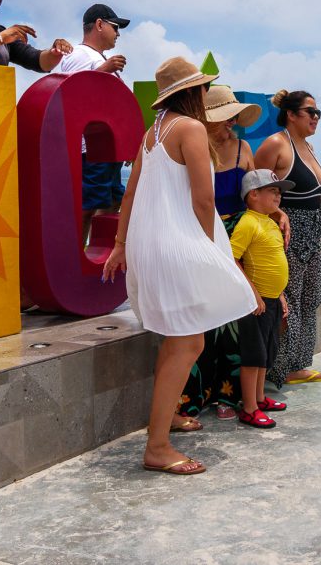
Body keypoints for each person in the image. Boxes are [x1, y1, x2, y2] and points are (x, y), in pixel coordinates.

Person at [102, 57, 256, 475]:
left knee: (179, 340)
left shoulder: (152, 133)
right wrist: (209, 249)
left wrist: (120, 244)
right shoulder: (188, 129)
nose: (208, 95)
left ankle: (166, 419)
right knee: (187, 343)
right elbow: (203, 200)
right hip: (178, 244)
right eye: (205, 89)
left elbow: (129, 194)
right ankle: (157, 446)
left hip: (149, 245)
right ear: (194, 92)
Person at [178, 86, 266, 422]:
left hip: (238, 241)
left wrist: (278, 215)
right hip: (203, 238)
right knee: (205, 321)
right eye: (223, 119)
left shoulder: (245, 148)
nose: (230, 124)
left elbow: (256, 195)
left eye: (233, 118)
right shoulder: (192, 148)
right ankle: (197, 397)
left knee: (235, 319)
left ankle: (230, 396)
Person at [255, 90, 321, 387]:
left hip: (314, 231)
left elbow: (305, 193)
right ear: (291, 114)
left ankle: (300, 362)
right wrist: (277, 217)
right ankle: (280, 368)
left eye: (318, 113)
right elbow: (256, 193)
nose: (316, 118)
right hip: (286, 233)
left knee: (309, 298)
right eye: (310, 112)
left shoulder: (309, 146)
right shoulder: (276, 145)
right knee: (288, 300)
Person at [54, 4, 132, 244]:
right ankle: (77, 258)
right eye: (115, 27)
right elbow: (75, 95)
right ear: (100, 24)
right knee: (88, 205)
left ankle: (97, 252)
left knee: (112, 199)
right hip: (91, 147)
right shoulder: (79, 54)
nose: (118, 33)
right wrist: (104, 70)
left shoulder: (96, 57)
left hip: (106, 148)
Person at [230, 169, 294, 429]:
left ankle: (259, 398)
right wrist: (253, 294)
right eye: (273, 191)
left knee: (266, 352)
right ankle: (249, 408)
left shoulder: (269, 221)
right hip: (256, 303)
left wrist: (280, 295)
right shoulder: (248, 222)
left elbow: (274, 261)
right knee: (253, 355)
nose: (278, 196)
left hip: (271, 299)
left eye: (280, 192)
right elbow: (232, 258)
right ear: (253, 194)